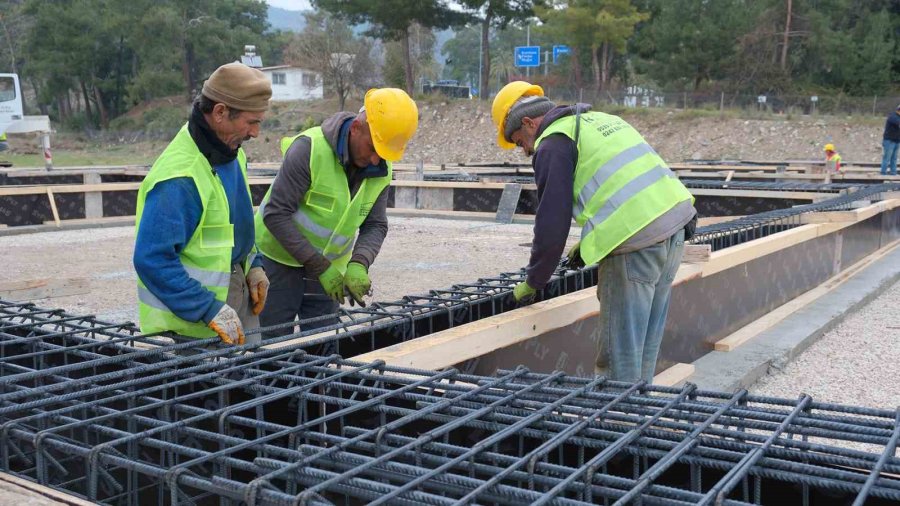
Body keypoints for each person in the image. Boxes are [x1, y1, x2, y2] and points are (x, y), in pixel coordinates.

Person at [491, 81, 697, 383]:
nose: (523, 150)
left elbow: (551, 224)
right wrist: (587, 243)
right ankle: (637, 417)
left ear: (528, 122)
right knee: (645, 346)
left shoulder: (551, 144)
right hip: (676, 229)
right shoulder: (603, 121)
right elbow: (624, 186)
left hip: (636, 245)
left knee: (620, 357)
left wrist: (535, 280)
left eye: (519, 141)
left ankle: (616, 425)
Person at [254, 88, 418, 342]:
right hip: (279, 261)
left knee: (323, 345)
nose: (376, 159)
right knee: (271, 343)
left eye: (384, 153)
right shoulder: (309, 149)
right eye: (373, 148)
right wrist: (318, 265)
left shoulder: (381, 168)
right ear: (355, 128)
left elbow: (375, 224)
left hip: (328, 272)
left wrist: (359, 263)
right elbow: (276, 214)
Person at [133, 63, 272, 348]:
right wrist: (207, 308)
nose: (256, 133)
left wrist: (253, 265)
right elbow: (153, 259)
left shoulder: (230, 152)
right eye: (251, 122)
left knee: (251, 385)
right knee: (213, 392)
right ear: (220, 112)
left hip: (236, 297)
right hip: (193, 328)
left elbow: (232, 227)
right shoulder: (180, 177)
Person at [882, 104, 900, 176]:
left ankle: (893, 173)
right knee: (887, 158)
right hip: (889, 141)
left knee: (894, 158)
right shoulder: (893, 116)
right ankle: (883, 173)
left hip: (897, 141)